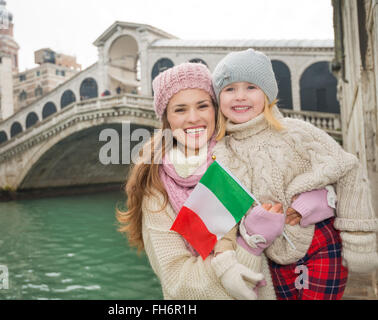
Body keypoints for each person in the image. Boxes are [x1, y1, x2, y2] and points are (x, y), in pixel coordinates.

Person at [116, 62, 332, 300]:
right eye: (179, 110)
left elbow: (315, 179)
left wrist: (320, 196)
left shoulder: (246, 151)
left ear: (216, 109)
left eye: (202, 105)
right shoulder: (156, 187)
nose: (193, 118)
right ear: (166, 119)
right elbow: (181, 286)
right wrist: (250, 245)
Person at [211, 48, 378, 300]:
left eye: (251, 87)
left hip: (320, 241)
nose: (240, 97)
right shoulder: (221, 154)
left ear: (267, 93)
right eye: (229, 89)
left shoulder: (296, 132)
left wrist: (359, 238)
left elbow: (348, 170)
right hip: (273, 256)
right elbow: (224, 214)